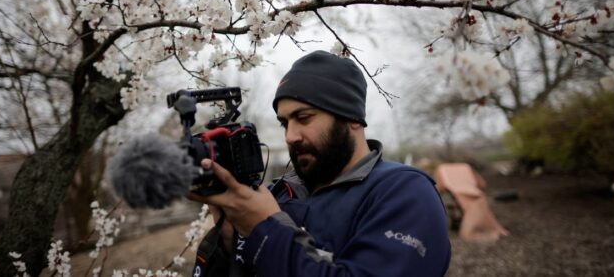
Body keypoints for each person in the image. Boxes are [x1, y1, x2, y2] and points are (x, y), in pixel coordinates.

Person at [188, 50, 451, 276]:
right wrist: (227, 240)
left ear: (352, 118)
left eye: (304, 118)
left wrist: (265, 229)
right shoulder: (278, 194)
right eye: (285, 123)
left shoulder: (404, 193)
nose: (290, 136)